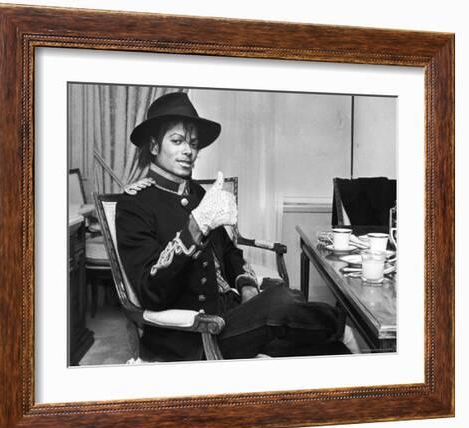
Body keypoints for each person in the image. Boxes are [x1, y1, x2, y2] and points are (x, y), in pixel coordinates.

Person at [116, 91, 359, 361]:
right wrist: (195, 227)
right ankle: (342, 327)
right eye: (177, 141)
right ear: (153, 146)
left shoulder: (198, 194)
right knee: (282, 301)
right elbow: (151, 292)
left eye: (194, 143)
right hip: (194, 335)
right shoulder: (134, 205)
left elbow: (230, 253)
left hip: (232, 317)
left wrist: (246, 286)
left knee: (329, 350)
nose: (189, 151)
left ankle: (340, 340)